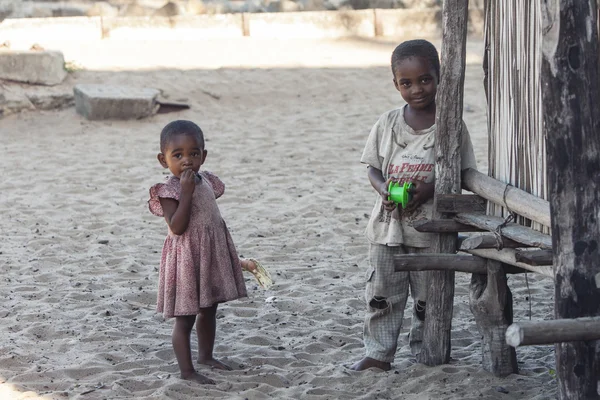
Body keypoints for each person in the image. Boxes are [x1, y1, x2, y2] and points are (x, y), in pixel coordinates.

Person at [351, 39, 477, 371]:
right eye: (406, 83)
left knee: (429, 298)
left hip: (431, 230)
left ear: (439, 78)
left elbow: (463, 173)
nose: (416, 89)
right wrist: (383, 190)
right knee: (382, 295)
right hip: (386, 229)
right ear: (396, 84)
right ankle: (378, 353)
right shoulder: (388, 123)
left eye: (424, 79)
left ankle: (427, 352)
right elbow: (373, 168)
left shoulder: (451, 125)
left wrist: (430, 189)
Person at [148, 120, 261, 384]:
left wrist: (239, 261)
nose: (186, 160)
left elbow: (212, 225)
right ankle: (187, 371)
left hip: (209, 255)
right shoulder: (167, 191)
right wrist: (185, 193)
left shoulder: (208, 180)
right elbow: (177, 227)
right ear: (163, 160)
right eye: (177, 155)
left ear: (204, 156)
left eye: (193, 153)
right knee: (185, 319)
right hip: (186, 260)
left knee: (210, 309)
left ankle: (206, 356)